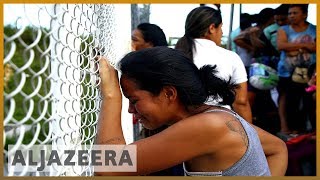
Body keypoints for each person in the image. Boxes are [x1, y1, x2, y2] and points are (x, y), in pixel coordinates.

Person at [95, 47, 288, 176]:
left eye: (134, 100)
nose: (130, 110)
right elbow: (278, 148)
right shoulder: (219, 117)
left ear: (169, 93)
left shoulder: (210, 126)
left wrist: (112, 96)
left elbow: (108, 166)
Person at [175, 6, 252, 123]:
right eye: (221, 28)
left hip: (181, 125)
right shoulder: (230, 57)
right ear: (212, 28)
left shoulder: (175, 55)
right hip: (221, 125)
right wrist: (251, 135)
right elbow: (241, 101)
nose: (222, 33)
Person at [276, 4, 316, 135]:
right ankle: (291, 129)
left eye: (294, 13)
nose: (291, 16)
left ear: (304, 14)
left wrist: (292, 48)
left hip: (310, 73)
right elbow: (281, 45)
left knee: (309, 102)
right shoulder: (283, 29)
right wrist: (305, 46)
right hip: (287, 72)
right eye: (290, 13)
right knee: (290, 102)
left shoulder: (314, 29)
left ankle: (309, 131)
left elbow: (316, 47)